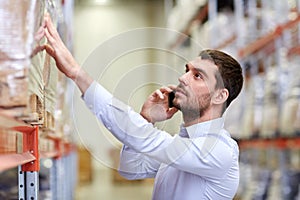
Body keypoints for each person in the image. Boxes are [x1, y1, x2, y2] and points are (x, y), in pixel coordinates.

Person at [38, 14, 243, 200]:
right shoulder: (182, 143)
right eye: (186, 70)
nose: (182, 78)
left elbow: (148, 141)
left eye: (197, 76)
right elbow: (132, 169)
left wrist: (76, 73)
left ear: (219, 95)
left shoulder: (219, 150)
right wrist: (146, 119)